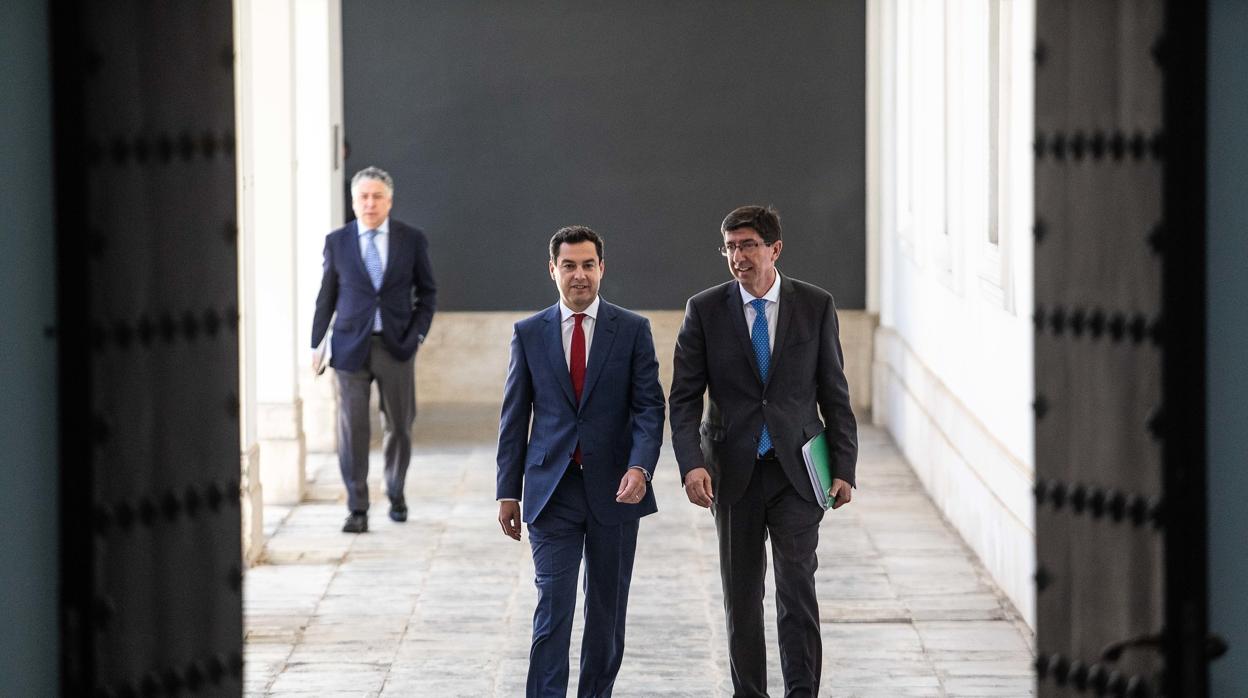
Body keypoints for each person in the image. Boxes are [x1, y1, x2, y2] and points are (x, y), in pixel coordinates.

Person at [668, 205, 858, 697]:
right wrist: (691, 464)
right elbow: (684, 398)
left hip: (797, 473)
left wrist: (845, 467)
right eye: (729, 247)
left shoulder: (815, 305)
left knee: (797, 592)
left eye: (747, 245)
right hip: (733, 475)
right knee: (742, 598)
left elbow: (834, 392)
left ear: (774, 249)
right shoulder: (705, 310)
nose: (737, 257)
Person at [496, 226, 665, 698]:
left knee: (606, 615)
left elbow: (650, 407)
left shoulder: (631, 330)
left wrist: (640, 467)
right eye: (569, 265)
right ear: (553, 270)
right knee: (553, 608)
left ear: (602, 268)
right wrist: (507, 491)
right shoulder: (528, 334)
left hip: (615, 489)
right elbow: (515, 417)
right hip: (553, 491)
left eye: (588, 264)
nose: (579, 275)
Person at [310, 166, 437, 533]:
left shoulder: (411, 239)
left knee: (399, 425)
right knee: (353, 430)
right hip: (349, 348)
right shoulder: (337, 241)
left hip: (396, 346)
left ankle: (396, 491)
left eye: (377, 196)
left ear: (389, 201)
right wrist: (316, 342)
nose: (370, 203)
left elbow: (427, 293)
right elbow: (326, 297)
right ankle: (357, 507)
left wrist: (417, 336)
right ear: (353, 202)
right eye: (363, 197)